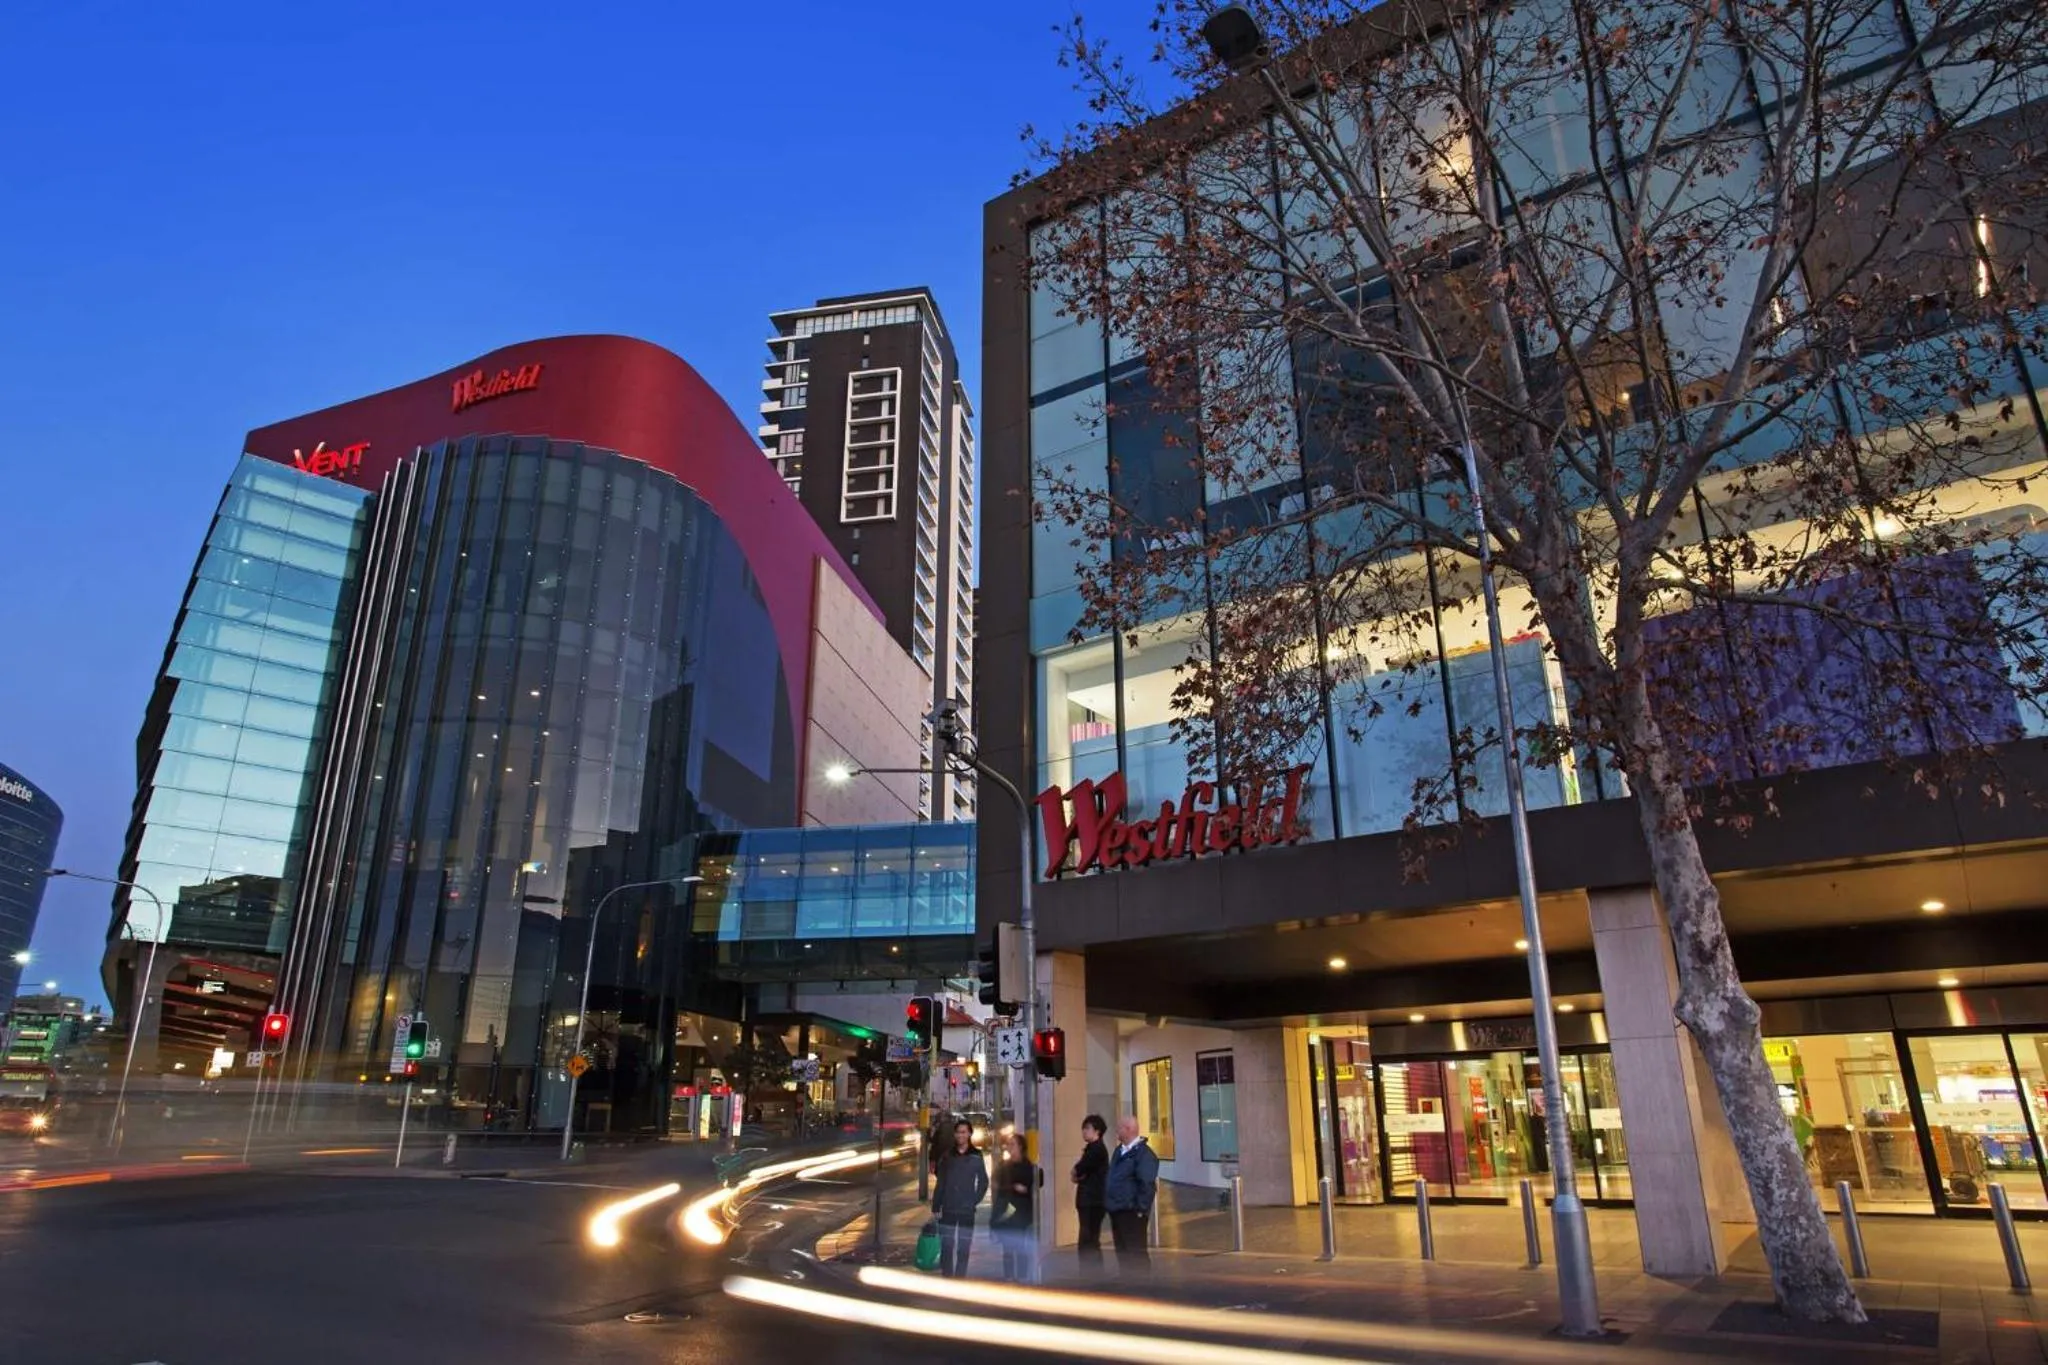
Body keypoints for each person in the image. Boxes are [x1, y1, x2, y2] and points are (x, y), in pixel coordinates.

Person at [930, 1117, 987, 1278]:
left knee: (964, 1246)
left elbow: (983, 1181)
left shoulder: (976, 1156)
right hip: (948, 1207)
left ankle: (960, 1276)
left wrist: (974, 1200)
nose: (960, 1135)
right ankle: (947, 1276)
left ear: (969, 1134)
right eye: (957, 1132)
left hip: (966, 1210)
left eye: (963, 1132)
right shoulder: (948, 1156)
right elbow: (941, 1182)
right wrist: (936, 1206)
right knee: (947, 1245)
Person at [1103, 1114, 1159, 1274]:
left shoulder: (1144, 1154)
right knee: (1123, 1252)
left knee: (1135, 1252)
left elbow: (1146, 1183)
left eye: (1119, 1127)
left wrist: (1141, 1209)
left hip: (1132, 1212)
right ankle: (1127, 1284)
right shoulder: (1118, 1152)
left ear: (1128, 1129)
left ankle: (1140, 1287)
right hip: (1117, 1210)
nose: (1116, 1131)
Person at [990, 1131, 1040, 1282]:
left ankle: (1022, 1276)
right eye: (1008, 1145)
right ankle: (1009, 1276)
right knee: (1008, 1247)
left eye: (1013, 1144)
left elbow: (1031, 1185)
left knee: (1020, 1245)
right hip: (1006, 1211)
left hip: (1022, 1212)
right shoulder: (1004, 1166)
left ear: (1020, 1147)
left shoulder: (1028, 1166)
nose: (1009, 1148)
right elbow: (996, 1186)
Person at [1071, 1114, 1110, 1266]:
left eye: (1087, 1128)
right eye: (1083, 1128)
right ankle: (1093, 1273)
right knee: (1090, 1239)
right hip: (1090, 1200)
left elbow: (1078, 1170)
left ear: (1097, 1131)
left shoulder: (1096, 1150)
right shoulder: (1092, 1149)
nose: (1084, 1131)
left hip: (1092, 1201)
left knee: (1088, 1240)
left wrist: (1077, 1172)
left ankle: (1091, 1273)